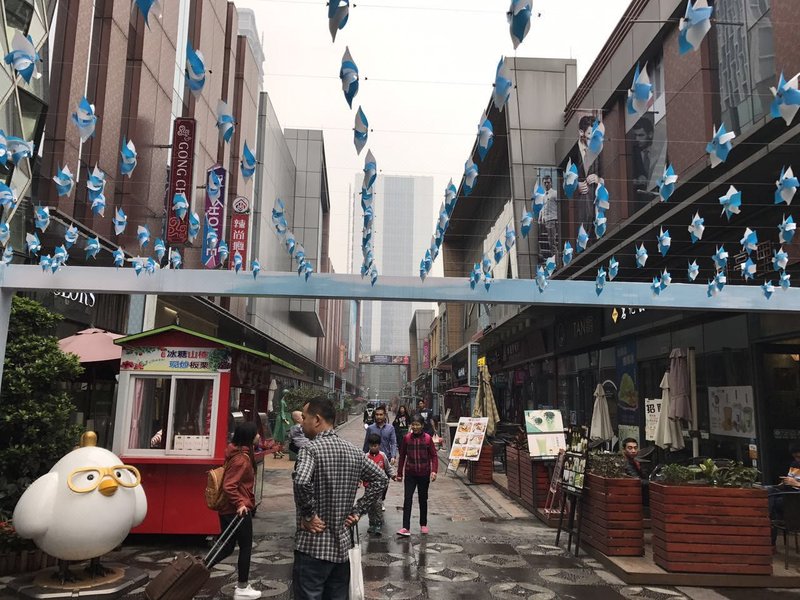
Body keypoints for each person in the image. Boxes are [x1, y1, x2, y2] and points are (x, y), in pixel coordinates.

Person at [292, 396, 388, 600]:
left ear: (317, 420)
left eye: (305, 417)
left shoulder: (310, 450)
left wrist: (309, 515)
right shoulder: (353, 452)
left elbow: (301, 481)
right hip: (341, 549)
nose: (302, 422)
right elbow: (381, 478)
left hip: (312, 547)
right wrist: (358, 510)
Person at [216, 422, 261, 600]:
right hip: (238, 511)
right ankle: (242, 588)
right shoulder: (241, 459)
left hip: (229, 509)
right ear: (249, 437)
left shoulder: (236, 453)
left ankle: (196, 570)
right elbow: (229, 485)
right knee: (246, 547)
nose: (259, 436)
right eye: (256, 434)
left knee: (227, 548)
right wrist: (240, 503)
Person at [396, 414, 438, 537]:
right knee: (407, 499)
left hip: (424, 473)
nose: (415, 427)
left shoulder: (428, 439)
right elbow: (402, 456)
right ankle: (405, 527)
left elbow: (434, 456)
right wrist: (399, 473)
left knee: (423, 499)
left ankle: (423, 524)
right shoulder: (407, 438)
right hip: (410, 474)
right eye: (413, 424)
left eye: (417, 425)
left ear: (422, 425)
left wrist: (434, 471)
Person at [363, 405, 397, 511]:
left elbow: (393, 443)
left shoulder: (390, 428)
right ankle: (372, 500)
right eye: (377, 414)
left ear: (384, 415)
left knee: (385, 482)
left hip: (385, 459)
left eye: (381, 414)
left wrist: (393, 456)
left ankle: (381, 499)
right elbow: (366, 443)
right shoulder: (370, 428)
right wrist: (363, 457)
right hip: (372, 461)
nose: (378, 417)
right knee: (371, 482)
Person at [768, 443, 800, 546]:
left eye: (799, 457)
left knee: (773, 504)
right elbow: (789, 480)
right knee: (770, 491)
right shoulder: (794, 464)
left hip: (796, 499)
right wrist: (784, 483)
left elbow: (794, 483)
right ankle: (769, 519)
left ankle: (769, 523)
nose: (797, 459)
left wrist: (796, 483)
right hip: (789, 495)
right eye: (795, 457)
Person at [364, 433, 396, 536]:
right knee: (370, 506)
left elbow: (388, 467)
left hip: (379, 486)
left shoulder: (382, 455)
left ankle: (378, 523)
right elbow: (362, 470)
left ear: (379, 445)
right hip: (369, 486)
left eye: (375, 446)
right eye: (371, 446)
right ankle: (372, 523)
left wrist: (393, 475)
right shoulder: (366, 457)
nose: (373, 448)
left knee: (377, 504)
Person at [622, 437, 649, 506]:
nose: (633, 450)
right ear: (624, 450)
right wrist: (652, 483)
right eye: (630, 448)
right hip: (633, 497)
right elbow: (636, 480)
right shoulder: (626, 463)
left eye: (635, 448)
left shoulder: (633, 461)